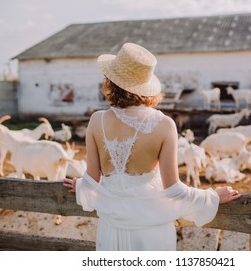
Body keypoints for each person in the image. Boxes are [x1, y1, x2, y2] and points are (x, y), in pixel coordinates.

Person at [63, 42, 241, 251]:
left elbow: (92, 181)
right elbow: (174, 190)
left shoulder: (96, 121)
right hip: (150, 228)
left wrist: (81, 186)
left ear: (110, 81)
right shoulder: (164, 125)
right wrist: (212, 197)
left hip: (111, 228)